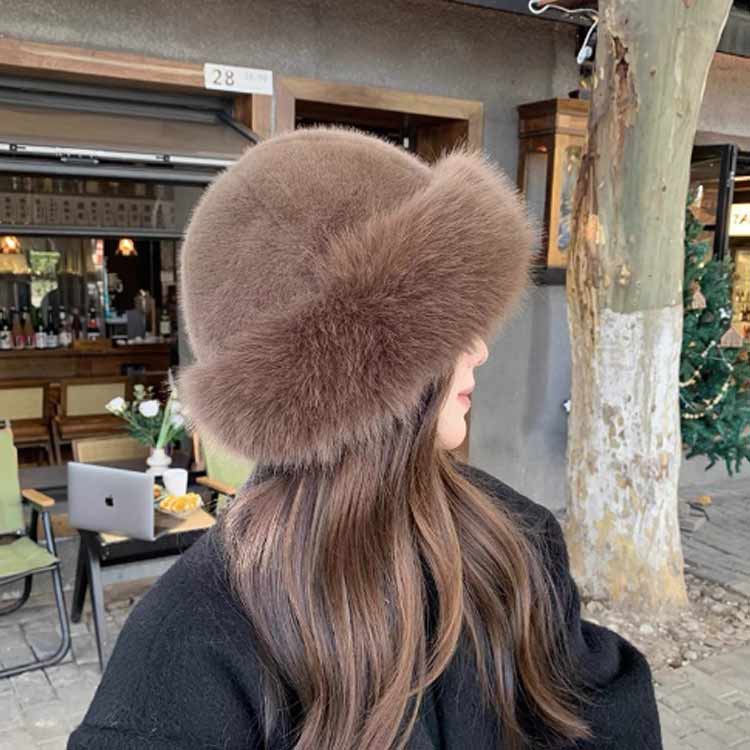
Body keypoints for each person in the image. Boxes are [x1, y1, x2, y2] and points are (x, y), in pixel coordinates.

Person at [67, 126, 663, 750]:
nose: (480, 350)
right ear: (370, 370)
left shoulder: (516, 545)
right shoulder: (186, 649)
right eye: (445, 327)